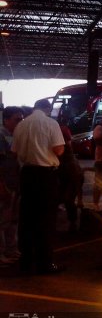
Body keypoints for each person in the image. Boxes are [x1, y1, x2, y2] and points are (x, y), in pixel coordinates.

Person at [11, 99, 66, 274]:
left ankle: (25, 262)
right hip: (45, 176)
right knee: (46, 220)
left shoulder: (21, 125)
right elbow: (58, 150)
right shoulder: (51, 123)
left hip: (27, 175)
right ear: (47, 109)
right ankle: (45, 263)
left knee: (26, 219)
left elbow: (14, 152)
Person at [0, 106, 24, 266]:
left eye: (21, 119)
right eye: (17, 119)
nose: (20, 122)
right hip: (5, 185)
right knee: (2, 221)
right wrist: (2, 186)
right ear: (6, 120)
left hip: (14, 184)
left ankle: (11, 249)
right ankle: (2, 253)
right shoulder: (1, 136)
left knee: (12, 220)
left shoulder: (14, 135)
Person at [57, 112, 84, 232]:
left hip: (72, 176)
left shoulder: (69, 161)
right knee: (62, 198)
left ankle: (73, 222)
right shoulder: (58, 158)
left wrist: (80, 199)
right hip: (66, 176)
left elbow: (77, 180)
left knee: (68, 200)